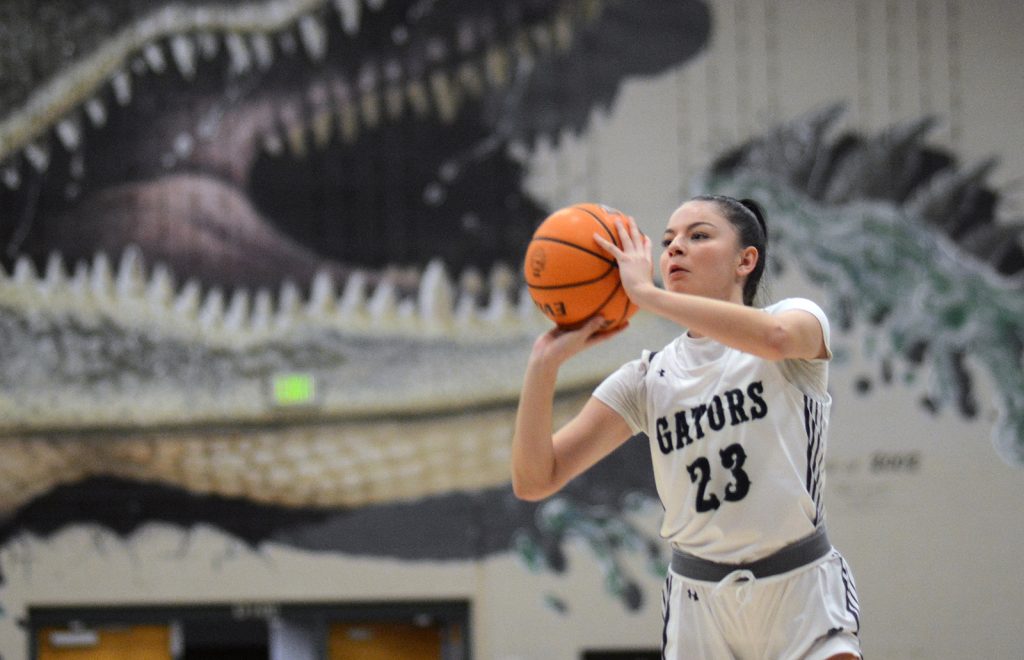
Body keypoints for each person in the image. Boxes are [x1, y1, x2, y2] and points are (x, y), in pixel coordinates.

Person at [511, 195, 862, 659]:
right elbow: (535, 478)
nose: (675, 248)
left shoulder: (792, 319)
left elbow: (775, 341)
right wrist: (542, 365)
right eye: (668, 240)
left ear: (746, 260)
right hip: (700, 602)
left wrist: (648, 296)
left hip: (800, 590)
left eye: (698, 236)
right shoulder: (647, 377)